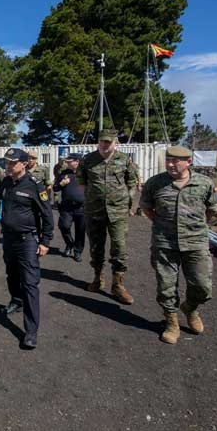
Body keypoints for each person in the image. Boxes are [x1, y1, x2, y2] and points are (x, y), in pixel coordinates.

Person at [139, 145, 217, 345]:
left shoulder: (204, 183)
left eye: (176, 161)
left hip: (196, 243)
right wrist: (163, 225)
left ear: (188, 162)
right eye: (168, 160)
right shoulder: (155, 183)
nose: (171, 164)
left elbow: (212, 209)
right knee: (166, 287)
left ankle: (190, 308)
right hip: (165, 243)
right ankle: (172, 322)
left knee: (202, 287)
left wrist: (195, 227)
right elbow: (147, 209)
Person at [0, 148, 53, 349]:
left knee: (30, 283)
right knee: (11, 274)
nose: (8, 165)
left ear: (23, 163)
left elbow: (47, 215)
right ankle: (16, 300)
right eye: (7, 162)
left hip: (27, 240)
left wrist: (45, 241)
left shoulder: (34, 185)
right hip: (9, 240)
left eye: (12, 162)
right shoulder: (7, 181)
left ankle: (31, 331)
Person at [76, 129, 139, 304]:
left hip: (118, 211)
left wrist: (128, 202)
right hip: (94, 211)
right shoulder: (88, 160)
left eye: (108, 142)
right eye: (102, 141)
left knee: (119, 248)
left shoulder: (124, 160)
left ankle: (118, 285)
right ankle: (98, 278)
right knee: (96, 247)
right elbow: (81, 181)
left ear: (115, 143)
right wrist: (89, 200)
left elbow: (132, 182)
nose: (105, 145)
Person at [53, 153, 85, 262]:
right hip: (67, 207)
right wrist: (61, 184)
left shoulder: (85, 173)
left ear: (77, 161)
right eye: (67, 161)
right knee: (64, 226)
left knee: (80, 231)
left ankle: (77, 251)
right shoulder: (63, 173)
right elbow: (55, 188)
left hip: (82, 208)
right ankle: (69, 244)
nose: (67, 163)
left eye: (69, 161)